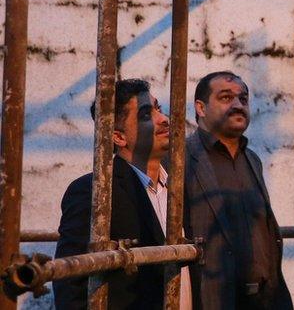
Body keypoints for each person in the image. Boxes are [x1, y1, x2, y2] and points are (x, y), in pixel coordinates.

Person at [54, 79, 192, 309]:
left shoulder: (177, 186)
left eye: (158, 109)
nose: (164, 119)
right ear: (118, 137)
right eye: (146, 115)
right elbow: (70, 280)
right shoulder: (95, 191)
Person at [184, 71, 293, 309]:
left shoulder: (252, 160)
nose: (237, 105)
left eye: (243, 99)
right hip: (213, 298)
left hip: (264, 299)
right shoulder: (180, 160)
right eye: (225, 98)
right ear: (200, 108)